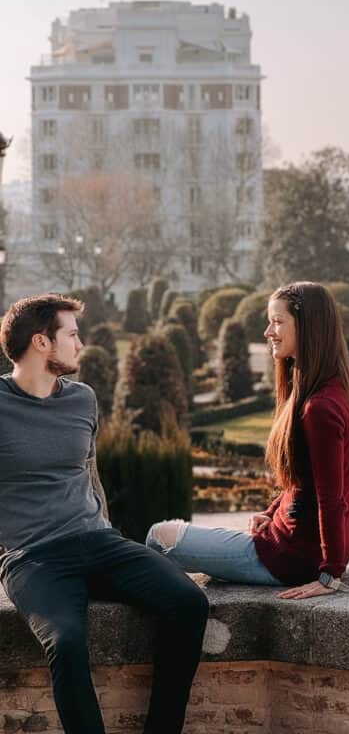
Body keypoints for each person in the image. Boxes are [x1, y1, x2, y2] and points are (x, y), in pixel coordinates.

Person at [0, 294, 209, 734]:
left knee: (189, 602)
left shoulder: (82, 399)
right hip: (33, 556)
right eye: (72, 335)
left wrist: (108, 531)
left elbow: (90, 476)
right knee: (68, 642)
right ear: (41, 342)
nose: (81, 344)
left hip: (99, 541)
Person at [147, 281, 349, 600]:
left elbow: (332, 497)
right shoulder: (328, 392)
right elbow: (303, 483)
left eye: (278, 322)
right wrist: (272, 511)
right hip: (289, 545)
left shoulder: (320, 408)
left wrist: (330, 574)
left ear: (307, 327)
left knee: (158, 538)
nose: (268, 332)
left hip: (289, 559)